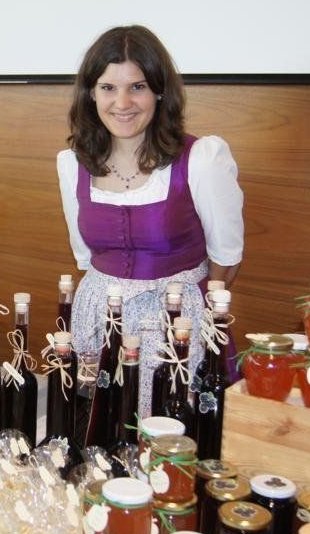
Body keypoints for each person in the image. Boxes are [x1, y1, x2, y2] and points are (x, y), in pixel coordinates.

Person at [56, 26, 243, 418]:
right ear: (90, 94)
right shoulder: (73, 164)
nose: (122, 102)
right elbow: (85, 258)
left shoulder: (201, 159)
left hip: (176, 325)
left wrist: (183, 314)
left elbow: (225, 261)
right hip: (99, 321)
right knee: (97, 430)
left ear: (159, 91)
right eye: (108, 88)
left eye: (137, 87)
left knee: (171, 433)